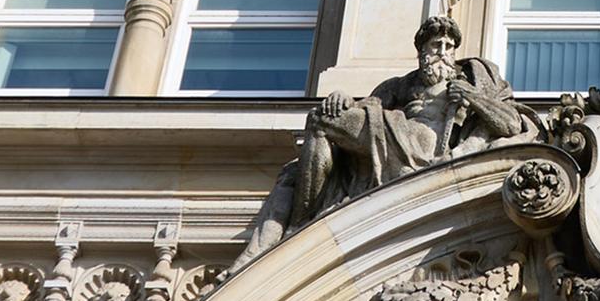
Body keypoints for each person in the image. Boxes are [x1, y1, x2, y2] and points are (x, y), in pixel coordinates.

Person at [223, 16, 536, 277]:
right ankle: (299, 226)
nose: (442, 52)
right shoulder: (400, 85)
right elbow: (367, 106)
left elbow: (509, 124)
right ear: (422, 51)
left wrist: (471, 97)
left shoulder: (471, 81)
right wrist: (344, 98)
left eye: (449, 47)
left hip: (428, 152)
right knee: (321, 120)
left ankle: (294, 233)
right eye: (435, 46)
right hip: (389, 135)